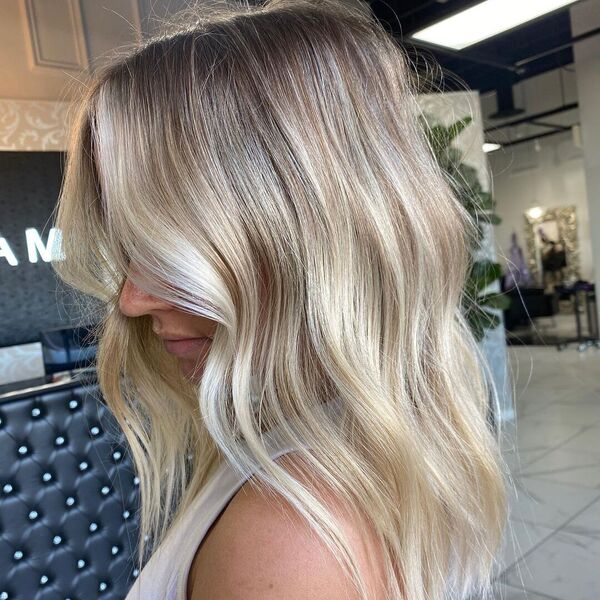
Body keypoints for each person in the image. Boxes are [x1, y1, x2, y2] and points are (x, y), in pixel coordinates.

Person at [51, 0, 509, 598]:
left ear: (307, 236)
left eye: (171, 247)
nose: (132, 300)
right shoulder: (367, 441)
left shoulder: (288, 539)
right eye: (129, 246)